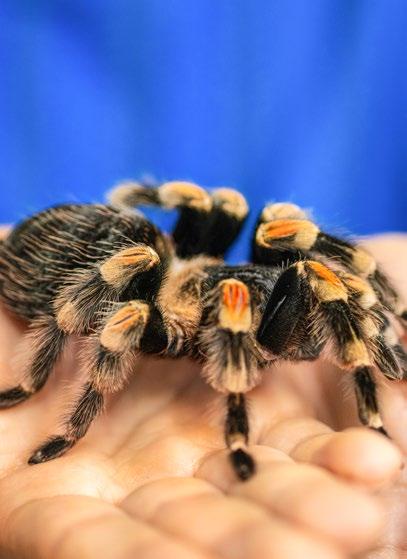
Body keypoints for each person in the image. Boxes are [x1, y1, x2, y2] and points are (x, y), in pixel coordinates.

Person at [0, 231, 405, 559]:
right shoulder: (172, 302)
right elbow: (228, 311)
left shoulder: (295, 280)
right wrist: (237, 437)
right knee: (143, 288)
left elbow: (325, 282)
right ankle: (54, 405)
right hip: (42, 267)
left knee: (303, 258)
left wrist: (390, 315)